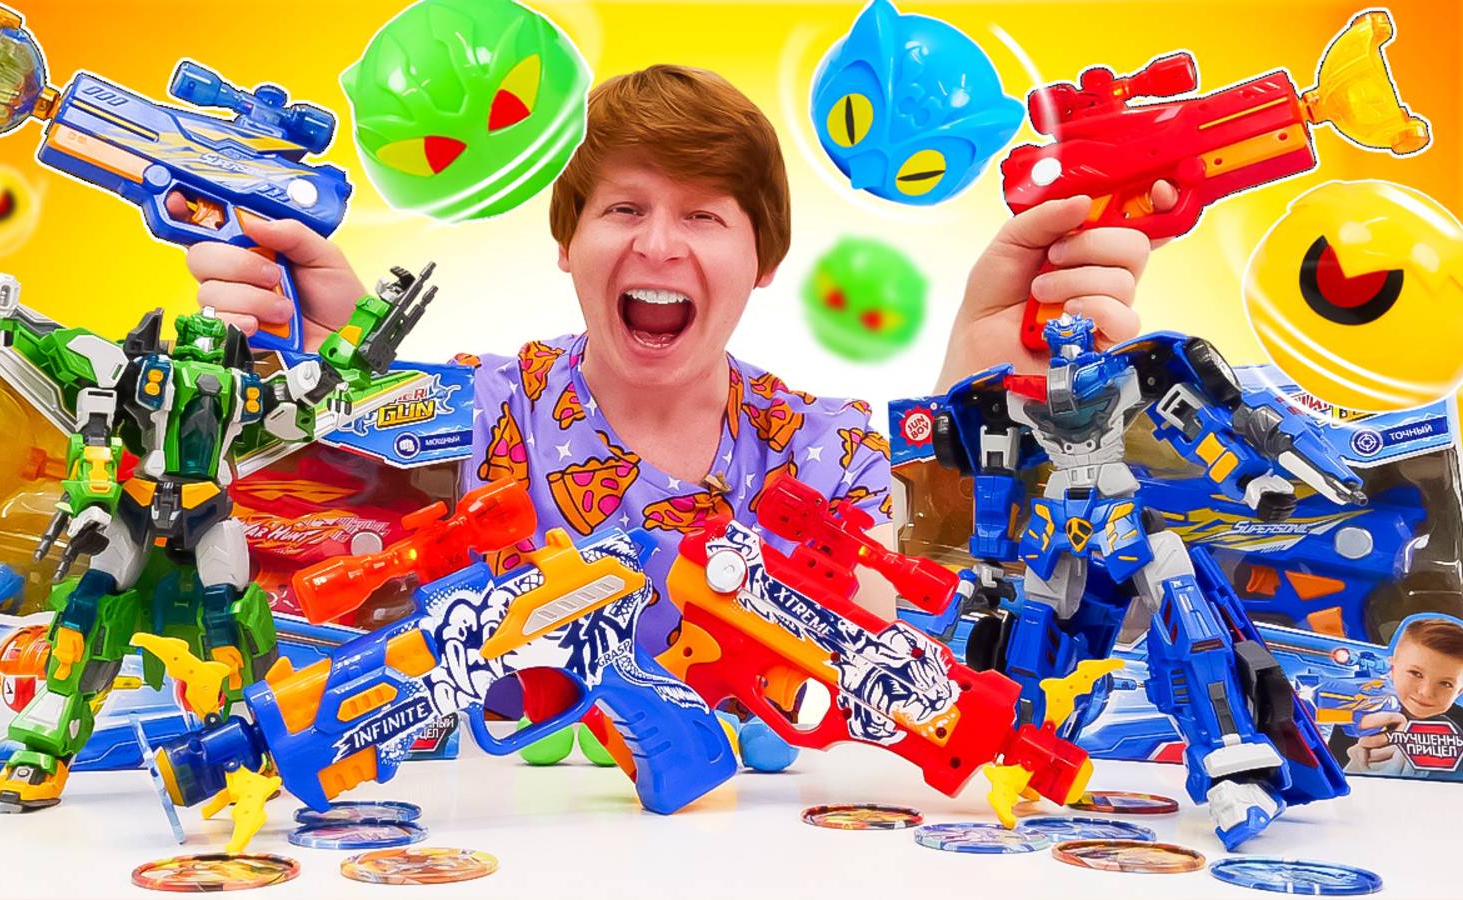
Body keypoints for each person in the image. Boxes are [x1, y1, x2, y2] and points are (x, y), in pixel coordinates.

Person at [179, 64, 1154, 646]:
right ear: (567, 243)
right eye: (622, 208)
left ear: (763, 261)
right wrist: (321, 414)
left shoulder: (828, 451)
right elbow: (304, 580)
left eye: (703, 215)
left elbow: (949, 631)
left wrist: (979, 415)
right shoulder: (472, 411)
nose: (656, 245)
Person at [1333, 616, 1463, 775]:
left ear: (1459, 691)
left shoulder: (1456, 730)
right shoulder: (1357, 711)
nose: (1426, 692)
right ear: (1392, 668)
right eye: (1416, 674)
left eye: (1446, 684)